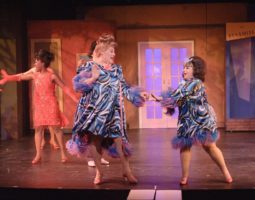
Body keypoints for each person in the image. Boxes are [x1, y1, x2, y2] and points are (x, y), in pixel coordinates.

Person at [66, 33, 148, 185]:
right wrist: (93, 78)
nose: (114, 54)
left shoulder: (116, 70)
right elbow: (78, 86)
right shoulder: (87, 66)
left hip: (113, 113)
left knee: (120, 141)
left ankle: (127, 171)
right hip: (95, 114)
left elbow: (124, 88)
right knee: (95, 141)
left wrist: (139, 93)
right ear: (101, 52)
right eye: (111, 51)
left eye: (114, 51)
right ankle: (99, 171)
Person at [151, 56, 232, 185]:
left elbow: (180, 95)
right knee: (185, 146)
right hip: (187, 120)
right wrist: (159, 99)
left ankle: (226, 172)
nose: (184, 70)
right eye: (184, 67)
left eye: (187, 67)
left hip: (202, 119)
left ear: (195, 70)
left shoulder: (196, 83)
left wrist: (161, 99)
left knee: (209, 146)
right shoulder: (183, 83)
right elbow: (176, 98)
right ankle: (184, 177)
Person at [0, 49, 78, 164]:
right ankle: (38, 155)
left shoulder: (52, 76)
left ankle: (62, 153)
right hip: (39, 106)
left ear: (42, 62)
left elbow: (64, 87)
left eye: (36, 61)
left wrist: (75, 99)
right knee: (38, 129)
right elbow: (20, 77)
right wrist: (7, 78)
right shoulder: (34, 75)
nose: (35, 64)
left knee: (56, 128)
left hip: (51, 105)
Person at [76, 40, 109, 166]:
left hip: (102, 102)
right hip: (90, 102)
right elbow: (80, 83)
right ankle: (90, 158)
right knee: (90, 132)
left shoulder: (105, 65)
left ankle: (99, 156)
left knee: (101, 132)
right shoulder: (87, 64)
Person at [15, 67, 60, 150]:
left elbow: (56, 82)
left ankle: (53, 140)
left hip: (49, 97)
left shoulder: (50, 70)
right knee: (40, 121)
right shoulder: (34, 69)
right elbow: (23, 74)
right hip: (39, 98)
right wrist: (10, 77)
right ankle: (42, 140)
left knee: (51, 120)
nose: (36, 62)